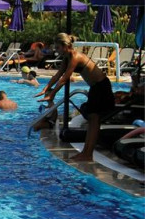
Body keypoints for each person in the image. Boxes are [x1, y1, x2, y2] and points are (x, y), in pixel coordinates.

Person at [36, 33, 115, 161]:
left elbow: (64, 79)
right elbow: (58, 75)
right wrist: (46, 89)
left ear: (65, 46)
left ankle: (88, 154)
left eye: (57, 47)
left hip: (101, 86)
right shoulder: (66, 58)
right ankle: (86, 153)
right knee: (92, 120)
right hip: (95, 87)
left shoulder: (75, 57)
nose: (56, 50)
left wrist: (52, 94)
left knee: (94, 120)